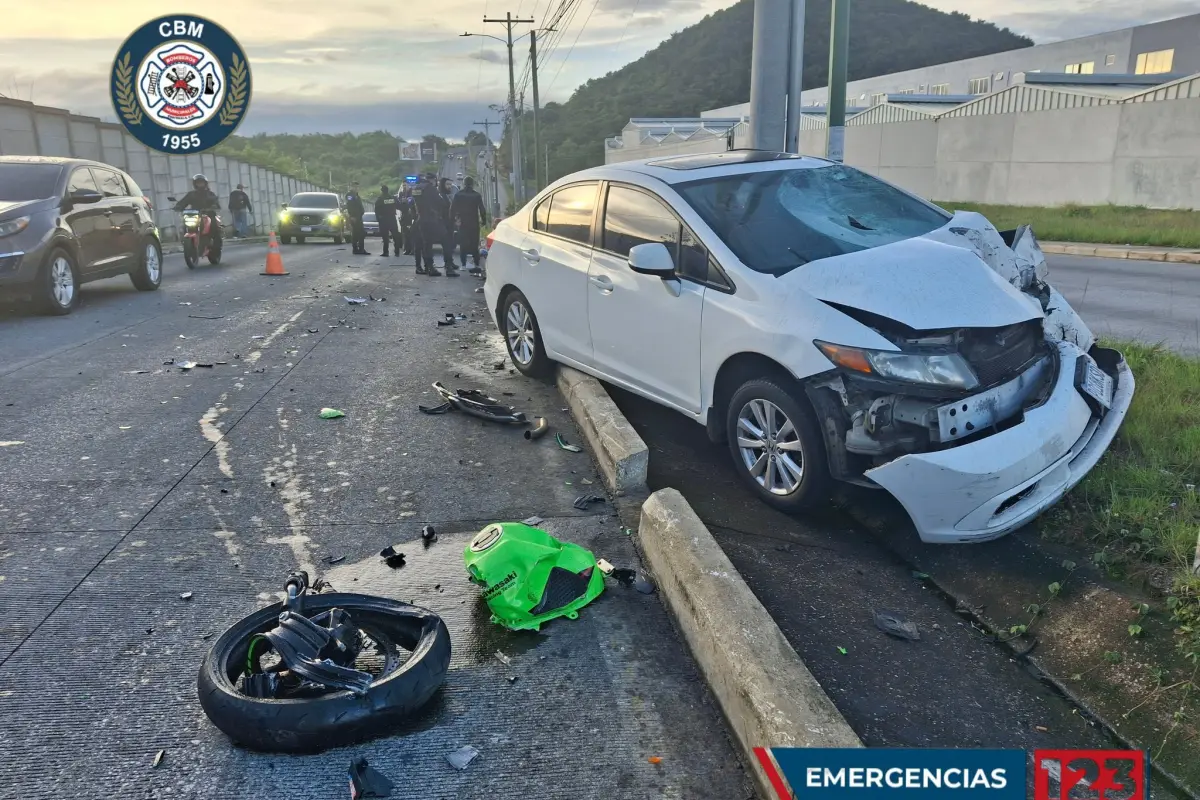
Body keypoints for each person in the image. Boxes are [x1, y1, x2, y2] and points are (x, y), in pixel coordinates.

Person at [412, 172, 452, 277]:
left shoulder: (416, 188)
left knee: (426, 244)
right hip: (432, 219)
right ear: (433, 180)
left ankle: (427, 266)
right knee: (446, 241)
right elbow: (440, 203)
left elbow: (412, 203)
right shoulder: (430, 188)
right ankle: (448, 267)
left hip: (420, 218)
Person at [174, 173, 223, 251]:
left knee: (214, 225)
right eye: (198, 182)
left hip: (208, 215)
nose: (200, 184)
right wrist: (178, 206)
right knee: (184, 225)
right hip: (195, 215)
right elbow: (183, 202)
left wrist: (214, 206)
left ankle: (216, 245)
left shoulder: (210, 194)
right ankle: (186, 242)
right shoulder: (191, 194)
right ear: (195, 184)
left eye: (201, 182)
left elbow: (216, 202)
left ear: (205, 183)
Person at [451, 176, 488, 275]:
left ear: (463, 183)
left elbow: (452, 208)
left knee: (463, 244)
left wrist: (453, 220)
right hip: (474, 223)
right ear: (472, 184)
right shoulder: (476, 195)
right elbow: (482, 209)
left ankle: (463, 265)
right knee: (474, 244)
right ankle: (476, 264)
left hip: (462, 223)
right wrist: (484, 221)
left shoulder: (458, 194)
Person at [374, 184, 401, 258]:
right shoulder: (393, 198)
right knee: (396, 236)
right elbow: (399, 206)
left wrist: (379, 220)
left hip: (384, 220)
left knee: (385, 238)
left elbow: (376, 210)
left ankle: (386, 252)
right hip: (392, 219)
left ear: (381, 191)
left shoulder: (380, 199)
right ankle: (397, 251)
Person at [438, 178, 458, 268]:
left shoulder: (447, 196)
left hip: (449, 224)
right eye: (447, 184)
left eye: (450, 184)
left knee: (450, 245)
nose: (450, 187)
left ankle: (450, 262)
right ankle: (448, 264)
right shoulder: (441, 196)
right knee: (446, 245)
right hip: (444, 225)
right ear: (443, 185)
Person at [346, 181, 368, 255]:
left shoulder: (357, 196)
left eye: (357, 187)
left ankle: (360, 249)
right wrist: (352, 216)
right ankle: (356, 249)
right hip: (354, 217)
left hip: (359, 217)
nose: (356, 188)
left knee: (360, 233)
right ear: (351, 187)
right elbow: (350, 206)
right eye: (355, 187)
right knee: (357, 234)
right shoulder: (350, 195)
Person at [398, 185, 416, 256]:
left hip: (410, 218)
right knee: (405, 235)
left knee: (411, 235)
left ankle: (412, 249)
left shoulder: (412, 195)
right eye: (403, 185)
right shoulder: (401, 194)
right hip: (404, 218)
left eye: (406, 185)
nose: (404, 187)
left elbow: (412, 206)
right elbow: (400, 207)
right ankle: (407, 249)